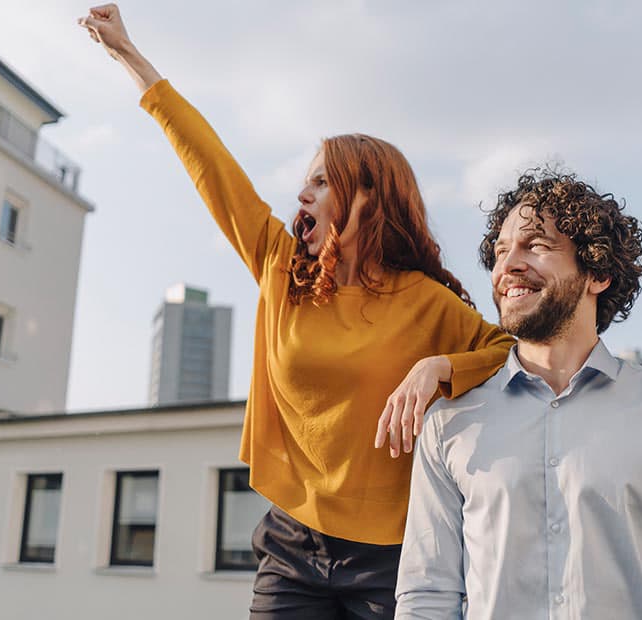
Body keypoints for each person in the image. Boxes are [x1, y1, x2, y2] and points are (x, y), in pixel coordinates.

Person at [78, 5, 513, 618]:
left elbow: (508, 354)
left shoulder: (427, 302)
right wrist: (129, 54)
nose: (301, 194)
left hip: (393, 556)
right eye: (304, 183)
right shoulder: (283, 271)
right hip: (292, 545)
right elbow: (212, 167)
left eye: (320, 182)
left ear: (366, 195)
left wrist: (438, 368)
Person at [395, 169, 642, 619]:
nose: (508, 266)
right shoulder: (449, 425)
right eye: (501, 251)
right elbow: (427, 598)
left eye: (535, 245)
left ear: (596, 272)